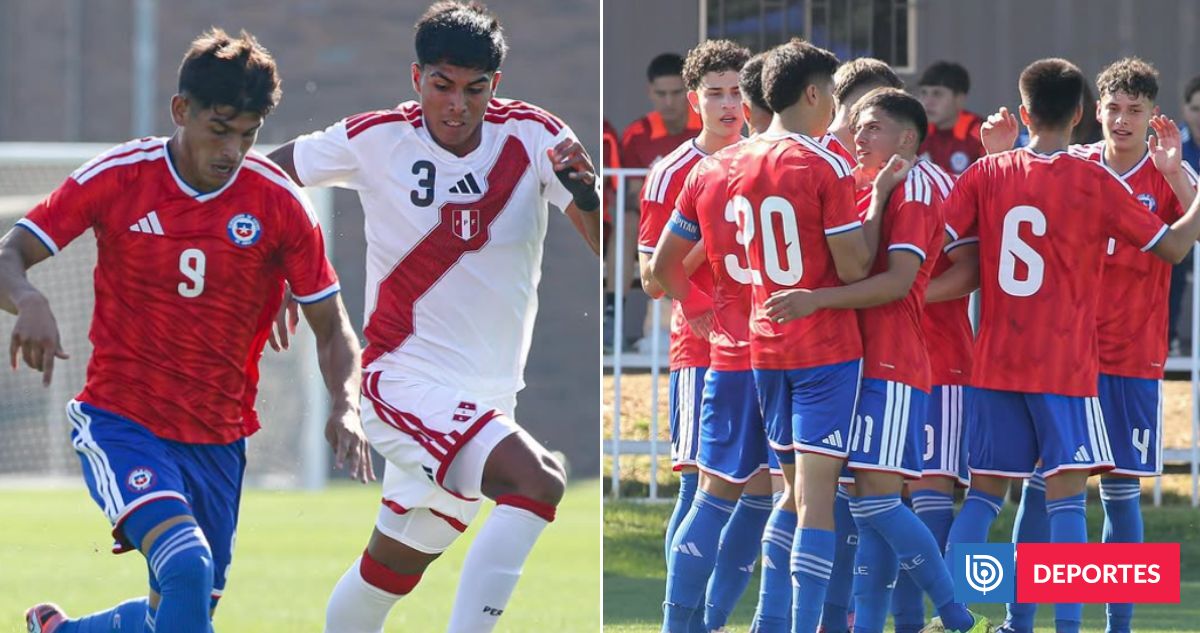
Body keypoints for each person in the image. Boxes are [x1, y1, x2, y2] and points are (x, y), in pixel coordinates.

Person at [7, 28, 372, 633]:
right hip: (122, 421)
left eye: (249, 134)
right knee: (186, 565)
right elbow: (8, 255)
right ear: (182, 111)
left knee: (178, 614)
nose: (232, 149)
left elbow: (332, 327)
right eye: (220, 129)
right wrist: (28, 300)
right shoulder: (121, 176)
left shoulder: (279, 204)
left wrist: (346, 404)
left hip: (218, 441)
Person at [265, 3, 601, 632]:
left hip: (487, 400)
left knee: (384, 576)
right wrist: (287, 263)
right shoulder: (374, 138)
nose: (456, 105)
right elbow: (268, 175)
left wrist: (587, 198)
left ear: (494, 86)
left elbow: (609, 249)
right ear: (415, 77)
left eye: (474, 90)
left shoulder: (536, 138)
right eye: (442, 86)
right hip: (400, 382)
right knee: (539, 481)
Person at [935, 57, 1200, 633]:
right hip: (1068, 364)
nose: (1123, 120)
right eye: (1114, 108)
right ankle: (1026, 620)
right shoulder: (1087, 172)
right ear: (1089, 113)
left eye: (1136, 110)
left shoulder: (1166, 176)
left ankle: (1107, 625)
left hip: (1124, 355)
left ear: (1154, 115)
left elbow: (953, 241)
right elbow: (1174, 247)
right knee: (1052, 495)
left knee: (1116, 495)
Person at [765, 87, 986, 633]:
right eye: (855, 125)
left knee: (881, 506)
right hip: (846, 365)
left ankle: (956, 614)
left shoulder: (916, 192)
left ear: (907, 138)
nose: (857, 135)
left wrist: (814, 300)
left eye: (871, 126)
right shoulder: (867, 189)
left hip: (892, 365)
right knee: (849, 507)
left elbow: (895, 283)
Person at [641, 40, 765, 633]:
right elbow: (650, 273)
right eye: (714, 93)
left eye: (737, 90)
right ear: (693, 102)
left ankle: (711, 621)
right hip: (704, 351)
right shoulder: (673, 171)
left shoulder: (765, 160)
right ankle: (680, 623)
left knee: (761, 492)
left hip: (770, 349)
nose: (727, 103)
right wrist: (699, 307)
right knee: (699, 486)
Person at [612, 53, 704, 350]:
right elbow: (633, 193)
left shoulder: (708, 127)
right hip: (658, 225)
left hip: (704, 224)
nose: (668, 102)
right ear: (649, 92)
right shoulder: (637, 135)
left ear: (688, 92)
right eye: (661, 93)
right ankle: (611, 315)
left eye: (676, 93)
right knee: (626, 220)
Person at [1171, 74, 1200, 353]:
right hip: (1184, 235)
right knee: (1171, 258)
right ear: (1185, 110)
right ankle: (1169, 339)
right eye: (1196, 109)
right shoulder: (1174, 146)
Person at [917, 61, 985, 176]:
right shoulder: (916, 132)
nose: (927, 102)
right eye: (924, 93)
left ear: (959, 99)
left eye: (937, 94)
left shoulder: (982, 133)